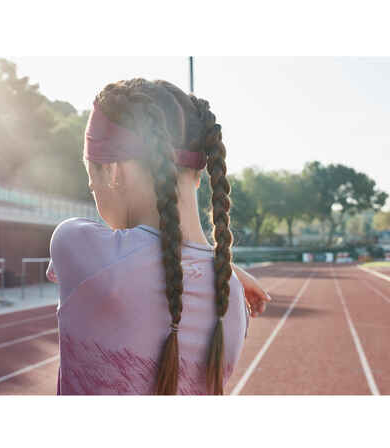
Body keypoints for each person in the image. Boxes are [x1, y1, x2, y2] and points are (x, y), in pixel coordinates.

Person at [47, 78, 271, 395]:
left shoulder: (75, 244)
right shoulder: (230, 296)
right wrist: (225, 266)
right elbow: (174, 260)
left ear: (114, 172)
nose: (91, 189)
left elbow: (137, 257)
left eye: (91, 176)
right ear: (198, 177)